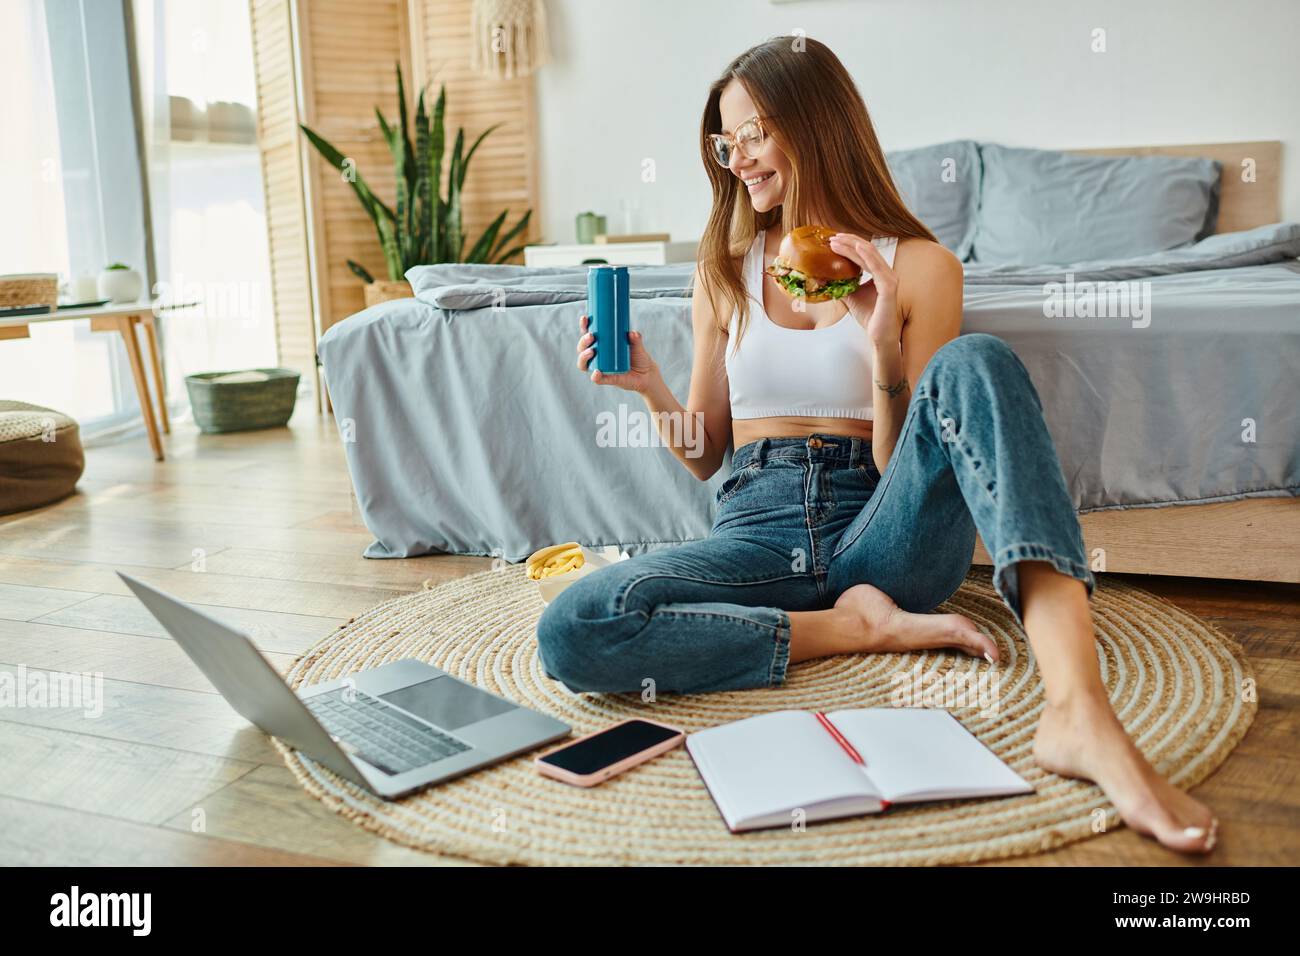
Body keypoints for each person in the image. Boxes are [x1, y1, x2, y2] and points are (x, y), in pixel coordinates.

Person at [537, 37, 1216, 854]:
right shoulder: (723, 270)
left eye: (754, 133)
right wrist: (649, 387)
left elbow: (903, 465)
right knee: (575, 626)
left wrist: (883, 345)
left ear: (816, 124)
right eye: (727, 142)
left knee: (979, 360)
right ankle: (850, 630)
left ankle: (1079, 710)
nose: (738, 159)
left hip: (885, 532)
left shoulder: (922, 267)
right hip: (757, 530)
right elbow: (707, 452)